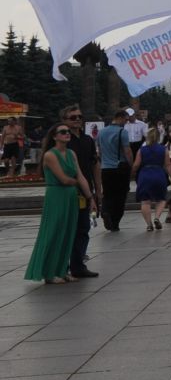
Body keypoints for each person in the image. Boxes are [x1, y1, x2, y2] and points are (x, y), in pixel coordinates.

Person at [25, 122, 90, 285]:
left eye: (68, 131)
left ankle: (61, 270)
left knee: (68, 233)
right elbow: (63, 179)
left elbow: (80, 175)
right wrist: (76, 182)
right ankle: (49, 272)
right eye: (62, 132)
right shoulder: (50, 155)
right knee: (54, 232)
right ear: (54, 136)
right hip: (57, 196)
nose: (67, 134)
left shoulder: (71, 153)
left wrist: (90, 196)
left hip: (70, 197)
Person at [61, 107, 100, 276]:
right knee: (66, 229)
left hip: (85, 190)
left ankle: (78, 265)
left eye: (80, 116)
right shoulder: (63, 140)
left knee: (83, 227)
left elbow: (94, 165)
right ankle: (62, 266)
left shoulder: (87, 140)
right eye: (73, 117)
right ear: (64, 120)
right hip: (67, 191)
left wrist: (99, 189)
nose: (77, 119)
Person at [97, 109, 131, 233]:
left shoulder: (101, 132)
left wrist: (103, 162)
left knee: (108, 194)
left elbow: (100, 151)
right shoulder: (122, 132)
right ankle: (115, 223)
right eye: (126, 120)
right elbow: (127, 151)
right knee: (120, 196)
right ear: (120, 118)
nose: (126, 123)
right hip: (120, 169)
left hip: (105, 168)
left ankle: (105, 211)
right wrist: (131, 165)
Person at [133, 127, 171, 232]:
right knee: (162, 199)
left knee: (145, 201)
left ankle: (149, 224)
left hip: (145, 175)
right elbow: (168, 165)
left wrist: (132, 173)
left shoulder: (141, 150)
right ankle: (157, 218)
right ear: (158, 137)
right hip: (159, 174)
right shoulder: (163, 149)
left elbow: (136, 165)